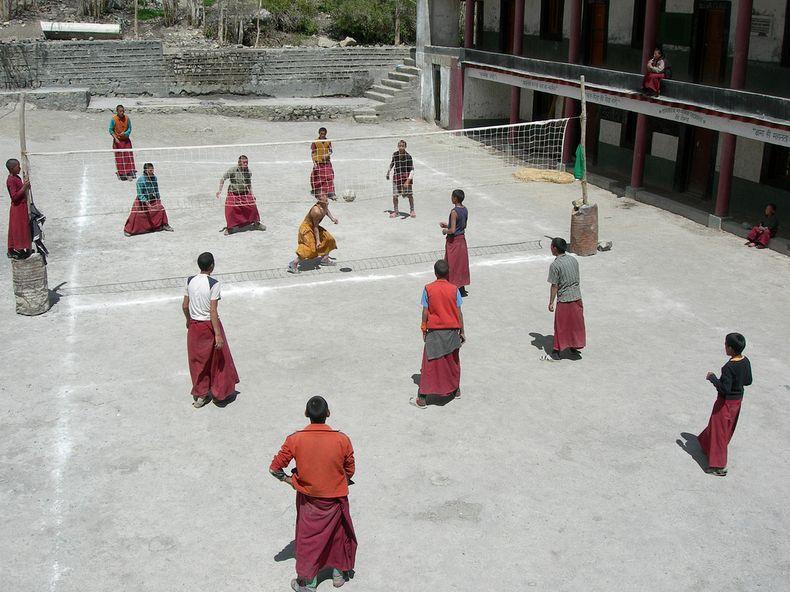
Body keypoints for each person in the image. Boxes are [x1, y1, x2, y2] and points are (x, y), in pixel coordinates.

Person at [269, 395, 357, 592]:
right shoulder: (342, 440)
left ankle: (309, 583)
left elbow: (274, 468)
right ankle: (337, 574)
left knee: (309, 540)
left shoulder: (295, 439)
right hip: (335, 500)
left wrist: (290, 480)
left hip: (309, 501)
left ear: (306, 414)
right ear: (327, 414)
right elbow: (350, 469)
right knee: (337, 533)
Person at [181, 252, 240, 408]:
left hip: (194, 327)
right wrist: (218, 335)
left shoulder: (189, 281)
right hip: (209, 327)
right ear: (212, 266)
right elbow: (213, 311)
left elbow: (185, 306)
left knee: (198, 362)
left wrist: (188, 320)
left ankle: (200, 396)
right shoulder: (214, 284)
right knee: (219, 361)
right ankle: (220, 394)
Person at [410, 259, 465, 409]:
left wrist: (423, 328)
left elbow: (425, 311)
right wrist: (463, 331)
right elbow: (459, 313)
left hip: (435, 333)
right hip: (452, 332)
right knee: (451, 362)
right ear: (448, 273)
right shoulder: (454, 289)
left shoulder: (428, 289)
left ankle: (422, 398)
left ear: (435, 273)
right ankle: (455, 390)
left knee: (429, 365)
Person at [697, 333, 752, 477]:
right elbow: (748, 381)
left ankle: (719, 467)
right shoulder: (746, 361)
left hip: (725, 403)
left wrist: (713, 378)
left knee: (719, 431)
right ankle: (706, 445)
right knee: (719, 427)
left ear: (731, 348)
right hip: (737, 402)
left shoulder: (728, 367)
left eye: (726, 344)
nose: (724, 346)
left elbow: (724, 389)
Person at [546, 237, 586, 360]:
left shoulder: (555, 265)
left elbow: (554, 286)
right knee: (575, 324)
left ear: (554, 249)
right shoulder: (574, 260)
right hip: (577, 297)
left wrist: (551, 302)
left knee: (561, 326)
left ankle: (556, 352)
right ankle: (574, 347)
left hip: (564, 300)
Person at [288, 193, 339, 274]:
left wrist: (332, 218)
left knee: (329, 239)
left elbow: (326, 211)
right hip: (307, 229)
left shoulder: (325, 203)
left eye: (325, 195)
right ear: (318, 198)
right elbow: (315, 227)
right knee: (310, 249)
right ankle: (293, 264)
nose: (325, 196)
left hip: (314, 227)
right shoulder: (316, 211)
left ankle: (325, 259)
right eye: (322, 196)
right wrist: (318, 241)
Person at [216, 155, 265, 235]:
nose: (246, 164)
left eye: (247, 162)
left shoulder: (248, 172)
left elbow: (249, 184)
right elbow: (223, 178)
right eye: (244, 162)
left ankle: (256, 224)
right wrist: (219, 191)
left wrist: (252, 194)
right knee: (230, 210)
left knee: (253, 207)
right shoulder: (233, 170)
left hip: (245, 193)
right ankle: (230, 228)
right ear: (239, 163)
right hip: (234, 193)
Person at [123, 162, 173, 236]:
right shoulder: (141, 180)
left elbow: (156, 189)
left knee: (160, 208)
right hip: (142, 200)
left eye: (152, 170)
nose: (152, 172)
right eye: (150, 170)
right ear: (146, 171)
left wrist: (158, 199)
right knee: (136, 214)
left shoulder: (154, 178)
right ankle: (129, 230)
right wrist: (145, 201)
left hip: (151, 199)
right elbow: (140, 193)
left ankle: (164, 225)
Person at [440, 189, 470, 297]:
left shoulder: (454, 212)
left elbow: (452, 231)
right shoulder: (465, 209)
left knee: (451, 264)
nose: (451, 198)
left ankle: (450, 288)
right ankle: (461, 289)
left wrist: (445, 231)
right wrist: (447, 225)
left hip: (453, 242)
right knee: (461, 264)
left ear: (455, 198)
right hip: (462, 240)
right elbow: (463, 226)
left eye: (452, 197)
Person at [5, 158, 32, 260]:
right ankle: (15, 249)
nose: (20, 168)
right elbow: (14, 197)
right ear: (12, 169)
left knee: (23, 229)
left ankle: (22, 249)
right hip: (17, 208)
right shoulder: (11, 180)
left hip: (22, 207)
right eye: (17, 167)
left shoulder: (16, 177)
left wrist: (26, 185)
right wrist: (24, 187)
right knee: (17, 229)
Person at [386, 139, 415, 218]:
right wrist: (388, 172)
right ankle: (396, 211)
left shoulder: (408, 157)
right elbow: (392, 164)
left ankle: (412, 210)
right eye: (400, 146)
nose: (401, 147)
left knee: (410, 195)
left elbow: (412, 170)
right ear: (398, 146)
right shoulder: (395, 155)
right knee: (395, 195)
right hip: (397, 177)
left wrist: (408, 181)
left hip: (406, 178)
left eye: (403, 146)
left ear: (405, 147)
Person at [109, 104, 137, 181]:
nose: (122, 113)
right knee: (119, 158)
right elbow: (110, 130)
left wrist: (125, 133)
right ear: (117, 111)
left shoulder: (127, 118)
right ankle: (121, 173)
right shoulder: (113, 119)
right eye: (120, 111)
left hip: (126, 141)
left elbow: (129, 128)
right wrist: (115, 138)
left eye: (123, 111)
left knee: (128, 156)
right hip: (118, 142)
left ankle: (128, 173)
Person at [310, 127, 336, 200]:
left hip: (326, 162)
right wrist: (314, 162)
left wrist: (327, 154)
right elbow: (313, 152)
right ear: (319, 134)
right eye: (321, 134)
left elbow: (331, 151)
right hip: (318, 162)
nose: (322, 135)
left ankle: (331, 193)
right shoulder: (315, 141)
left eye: (324, 134)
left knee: (329, 177)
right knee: (316, 178)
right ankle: (317, 192)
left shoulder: (328, 141)